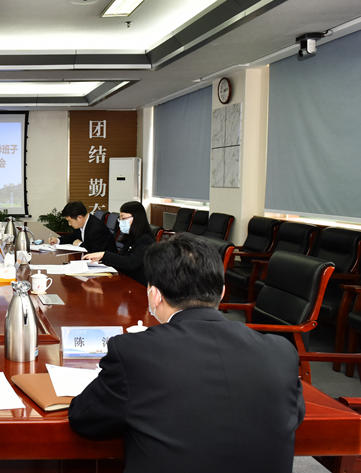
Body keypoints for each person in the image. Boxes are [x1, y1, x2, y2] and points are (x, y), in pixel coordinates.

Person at [68, 233, 305, 473]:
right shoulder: (281, 352)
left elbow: (84, 419)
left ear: (155, 295)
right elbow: (293, 416)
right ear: (222, 292)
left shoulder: (134, 351)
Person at [83, 201, 154, 285]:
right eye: (120, 219)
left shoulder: (145, 240)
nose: (120, 222)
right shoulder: (131, 237)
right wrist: (102, 260)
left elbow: (131, 263)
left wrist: (104, 255)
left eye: (123, 218)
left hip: (136, 285)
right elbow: (121, 258)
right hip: (125, 280)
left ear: (136, 218)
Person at [48, 201, 116, 253]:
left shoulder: (96, 229)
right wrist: (58, 240)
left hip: (106, 263)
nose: (69, 224)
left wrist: (80, 244)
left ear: (79, 217)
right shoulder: (83, 223)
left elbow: (95, 252)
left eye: (70, 221)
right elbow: (72, 237)